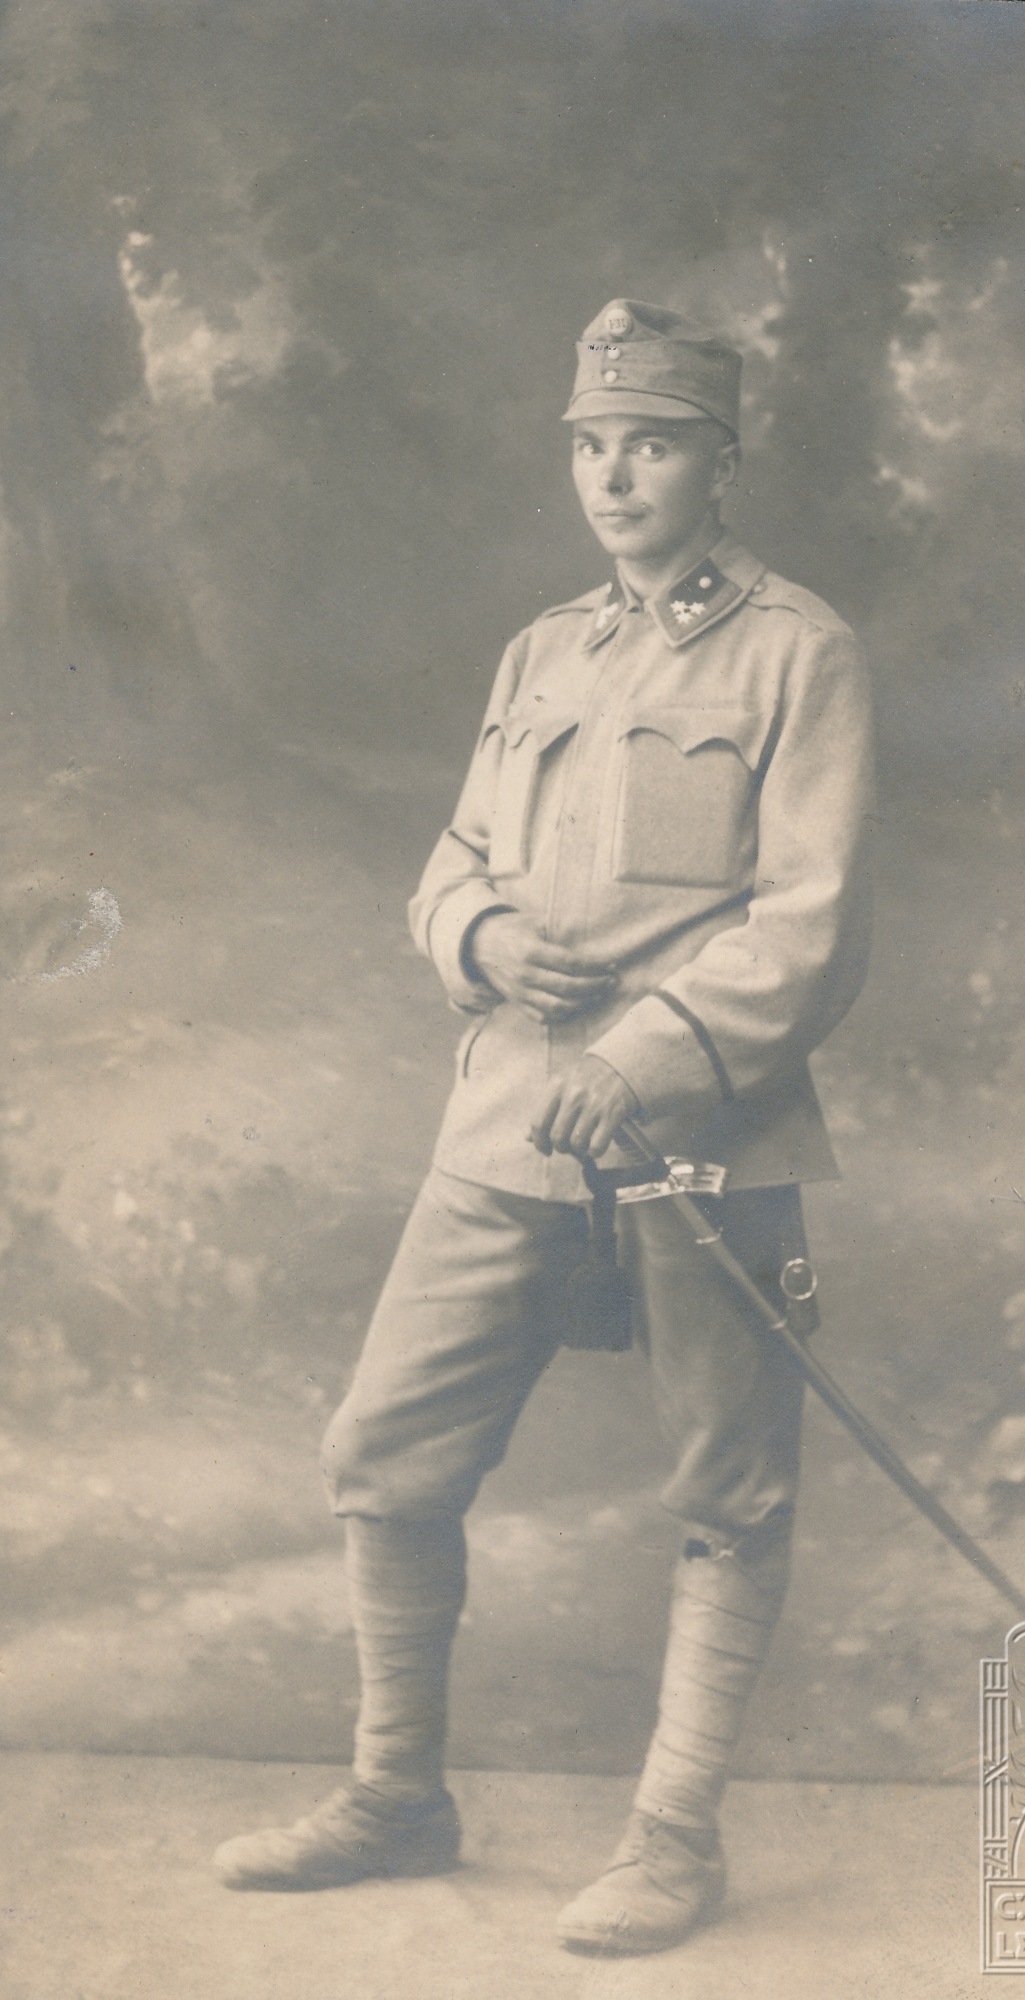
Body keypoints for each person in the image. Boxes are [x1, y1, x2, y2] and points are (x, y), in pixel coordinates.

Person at [212, 297, 874, 1955]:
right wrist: (484, 938)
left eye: (651, 445)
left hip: (709, 1141)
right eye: (591, 445)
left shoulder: (800, 653)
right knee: (382, 1453)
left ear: (722, 461)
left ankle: (672, 1837)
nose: (615, 477)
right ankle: (397, 1795)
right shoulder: (541, 653)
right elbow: (450, 863)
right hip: (509, 1125)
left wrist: (645, 1059)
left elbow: (812, 927)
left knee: (732, 1491)